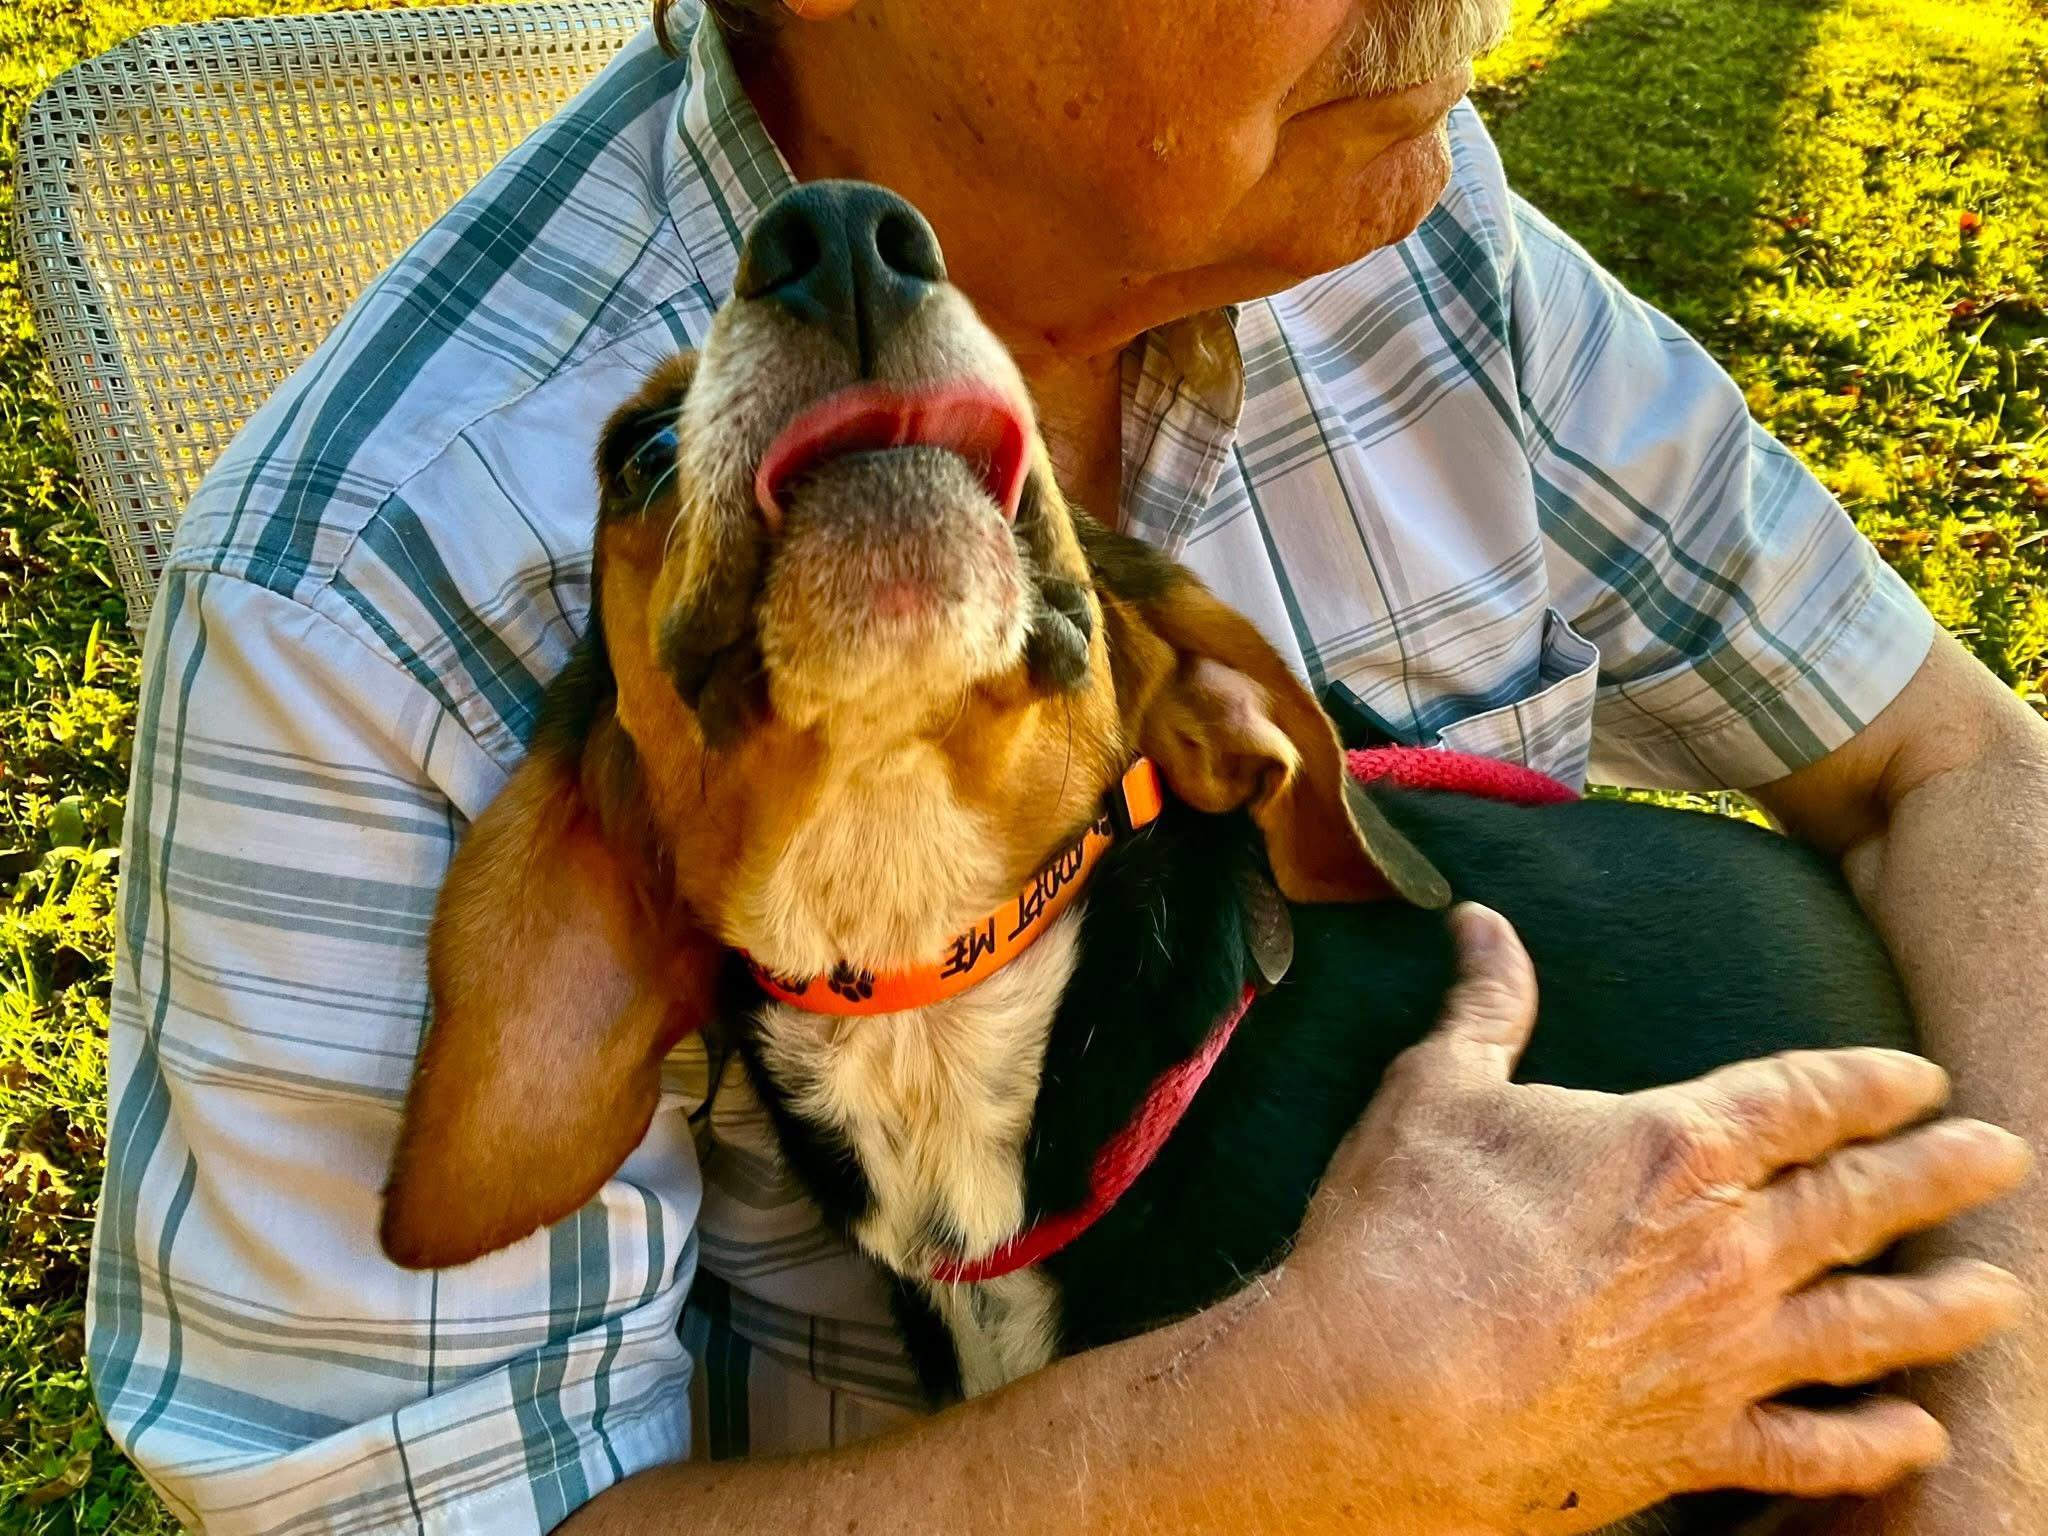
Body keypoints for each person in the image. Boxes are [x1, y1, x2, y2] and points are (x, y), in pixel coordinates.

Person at [89, 0, 2046, 1530]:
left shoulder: (1396, 210)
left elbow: (1958, 760)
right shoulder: (362, 590)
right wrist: (1297, 1436)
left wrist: (1980, 1451)